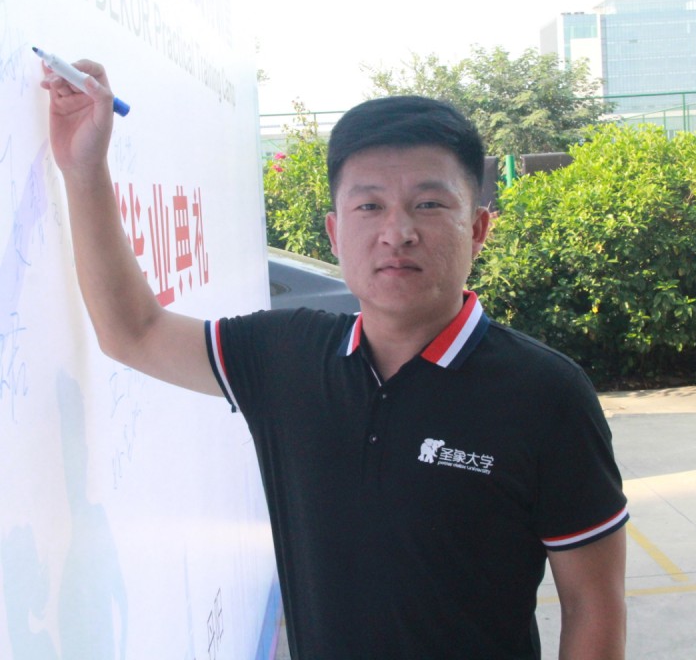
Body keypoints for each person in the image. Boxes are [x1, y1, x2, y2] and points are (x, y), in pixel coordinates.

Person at [42, 61, 628, 660]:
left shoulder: (546, 394)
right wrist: (84, 169)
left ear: (477, 229)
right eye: (369, 206)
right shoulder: (285, 357)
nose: (397, 232)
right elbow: (134, 332)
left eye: (429, 204)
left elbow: (593, 605)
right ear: (333, 231)